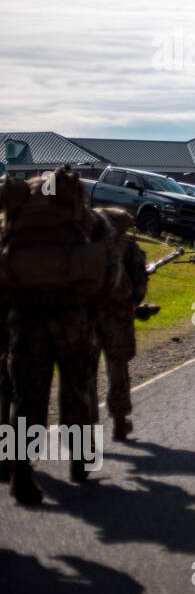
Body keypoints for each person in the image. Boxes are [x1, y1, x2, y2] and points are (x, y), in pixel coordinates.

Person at [3, 169, 111, 504]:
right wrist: (96, 310)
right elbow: (109, 271)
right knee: (76, 390)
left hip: (26, 319)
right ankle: (80, 459)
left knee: (27, 398)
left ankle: (21, 470)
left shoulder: (13, 224)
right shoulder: (89, 222)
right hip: (73, 320)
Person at [95, 207, 149, 441]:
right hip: (118, 316)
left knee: (85, 374)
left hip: (86, 317)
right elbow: (138, 292)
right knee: (117, 368)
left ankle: (84, 429)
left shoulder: (84, 246)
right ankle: (119, 420)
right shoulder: (131, 250)